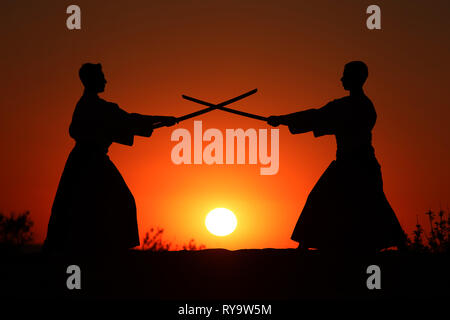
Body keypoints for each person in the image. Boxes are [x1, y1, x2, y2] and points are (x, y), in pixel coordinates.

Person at [268, 61, 406, 253]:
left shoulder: (354, 106)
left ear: (356, 78)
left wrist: (283, 120)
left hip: (355, 164)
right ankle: (307, 244)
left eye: (345, 75)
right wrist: (284, 119)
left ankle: (305, 245)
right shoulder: (357, 105)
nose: (341, 79)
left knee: (333, 199)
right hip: (356, 163)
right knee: (366, 203)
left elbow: (317, 116)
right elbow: (318, 117)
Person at [43, 63, 177, 254]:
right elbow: (128, 120)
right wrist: (161, 119)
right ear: (92, 80)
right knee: (118, 201)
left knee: (85, 203)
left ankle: (99, 246)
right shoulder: (94, 106)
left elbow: (126, 120)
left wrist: (160, 120)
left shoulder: (92, 105)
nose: (105, 80)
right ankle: (111, 248)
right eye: (102, 76)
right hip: (90, 161)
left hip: (86, 161)